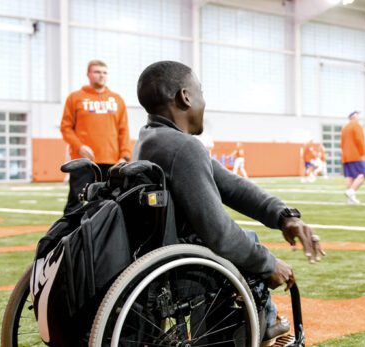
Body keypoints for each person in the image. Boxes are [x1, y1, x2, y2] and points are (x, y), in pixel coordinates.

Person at [134, 60, 325, 344]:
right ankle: (260, 322)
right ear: (185, 97)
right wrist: (268, 263)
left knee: (244, 245)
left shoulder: (151, 139)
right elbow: (220, 235)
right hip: (184, 273)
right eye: (200, 92)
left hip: (162, 263)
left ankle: (256, 323)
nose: (204, 101)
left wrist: (284, 216)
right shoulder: (183, 147)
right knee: (247, 243)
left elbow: (232, 186)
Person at [60, 59, 131, 214]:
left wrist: (125, 156)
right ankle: (68, 238)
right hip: (84, 163)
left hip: (111, 163)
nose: (101, 76)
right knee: (75, 205)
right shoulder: (75, 98)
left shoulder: (117, 100)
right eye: (97, 72)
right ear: (88, 74)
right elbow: (66, 128)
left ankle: (101, 237)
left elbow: (123, 130)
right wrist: (80, 147)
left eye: (104, 72)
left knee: (107, 206)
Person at [341, 111, 365, 204]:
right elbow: (360, 140)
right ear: (354, 117)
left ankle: (350, 199)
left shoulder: (344, 128)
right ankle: (351, 191)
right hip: (357, 155)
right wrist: (363, 153)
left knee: (350, 177)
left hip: (346, 156)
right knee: (362, 175)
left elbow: (342, 143)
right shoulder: (357, 125)